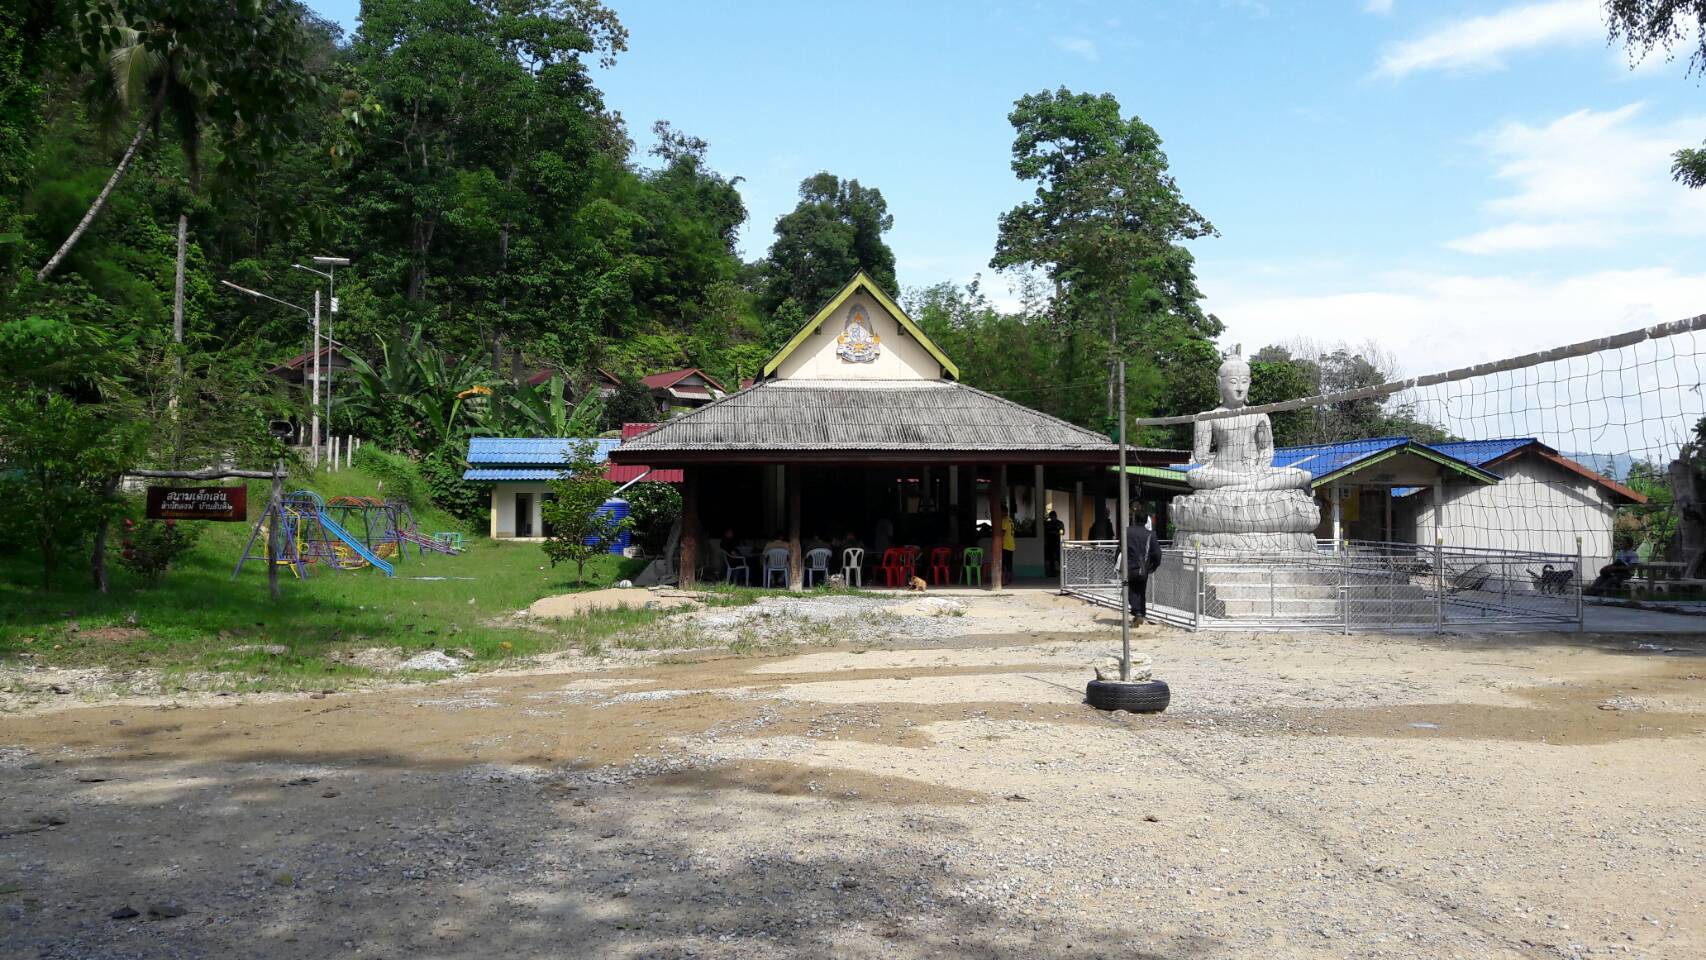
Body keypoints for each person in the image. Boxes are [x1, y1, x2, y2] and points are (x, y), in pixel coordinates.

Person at [1123, 514, 1165, 624]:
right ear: (1146, 521)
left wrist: (1117, 565)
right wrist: (1154, 566)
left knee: (1131, 589)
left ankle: (1137, 613)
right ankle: (1140, 613)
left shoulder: (1126, 532)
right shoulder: (1150, 534)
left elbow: (1120, 549)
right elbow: (1157, 553)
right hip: (1143, 568)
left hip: (1129, 567)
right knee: (1141, 591)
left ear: (1134, 519)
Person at [1044, 509, 1065, 576]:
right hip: (1050, 543)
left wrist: (1056, 533)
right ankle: (1052, 572)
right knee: (1051, 559)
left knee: (1059, 558)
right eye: (1051, 517)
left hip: (1057, 542)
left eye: (1053, 516)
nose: (1052, 518)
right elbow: (1045, 533)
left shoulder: (1059, 523)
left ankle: (1062, 571)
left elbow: (1062, 532)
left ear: (1056, 516)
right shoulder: (1048, 524)